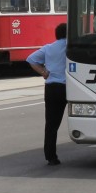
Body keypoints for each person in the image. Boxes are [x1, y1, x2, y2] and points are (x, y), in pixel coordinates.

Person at [27, 23, 68, 165]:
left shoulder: (48, 48)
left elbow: (31, 59)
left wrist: (43, 72)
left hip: (51, 88)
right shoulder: (71, 46)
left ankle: (51, 156)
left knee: (51, 123)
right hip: (69, 87)